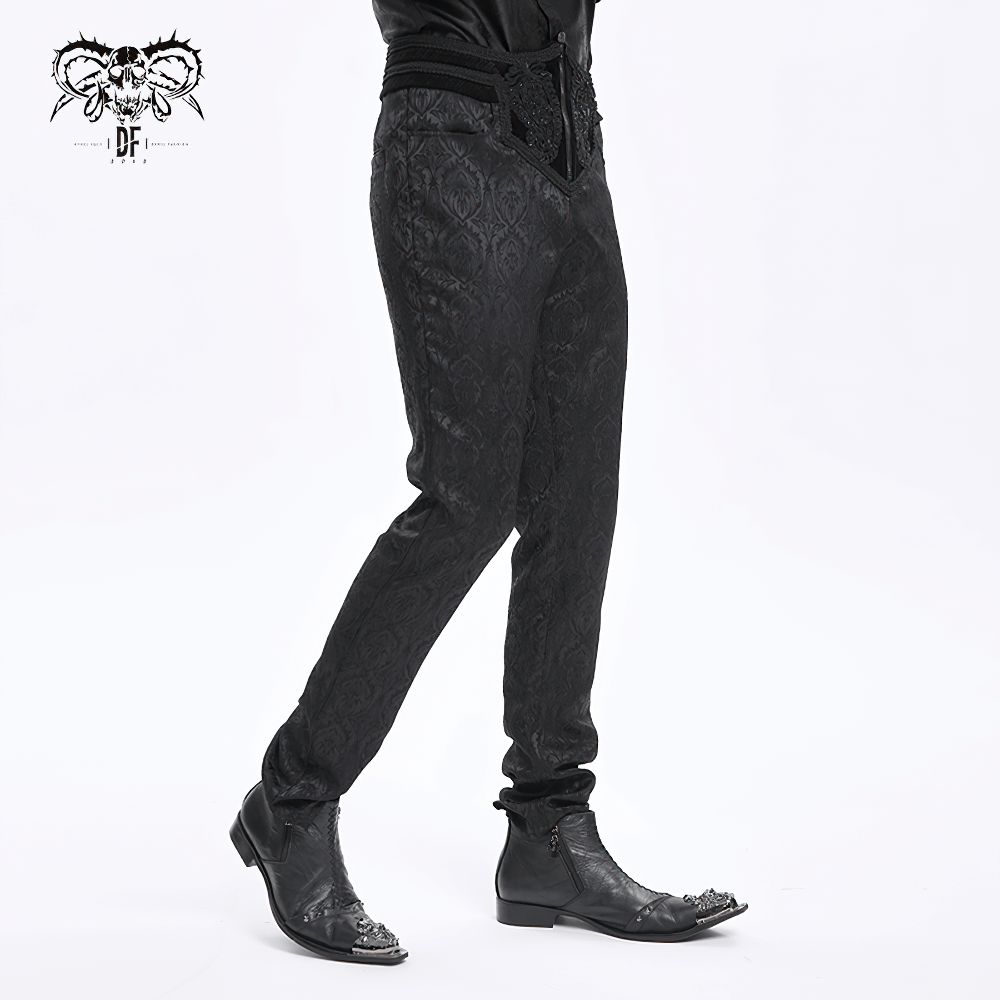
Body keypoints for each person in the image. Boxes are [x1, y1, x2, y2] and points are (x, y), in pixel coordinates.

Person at [228, 1, 746, 964]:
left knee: (576, 495)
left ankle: (550, 829)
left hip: (574, 143)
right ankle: (293, 800)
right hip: (451, 139)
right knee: (467, 498)